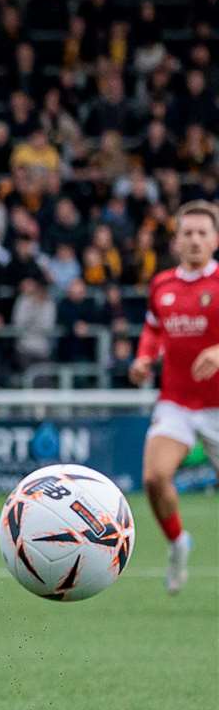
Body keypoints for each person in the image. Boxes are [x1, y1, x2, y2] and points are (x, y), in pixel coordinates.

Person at [129, 201, 219, 594]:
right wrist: (143, 357)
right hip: (177, 402)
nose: (195, 239)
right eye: (188, 233)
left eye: (203, 232)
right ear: (176, 240)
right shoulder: (162, 285)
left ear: (215, 240)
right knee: (154, 477)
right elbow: (153, 330)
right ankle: (178, 542)